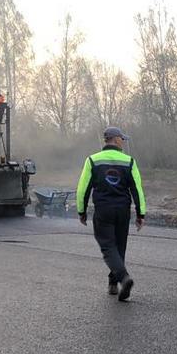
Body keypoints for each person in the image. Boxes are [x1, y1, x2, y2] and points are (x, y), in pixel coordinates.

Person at [76, 127, 146, 301]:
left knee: (108, 247)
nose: (123, 142)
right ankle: (113, 284)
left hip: (103, 210)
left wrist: (81, 210)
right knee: (119, 247)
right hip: (122, 210)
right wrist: (140, 213)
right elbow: (137, 189)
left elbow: (83, 189)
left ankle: (123, 278)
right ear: (114, 140)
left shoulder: (93, 160)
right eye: (122, 139)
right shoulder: (129, 161)